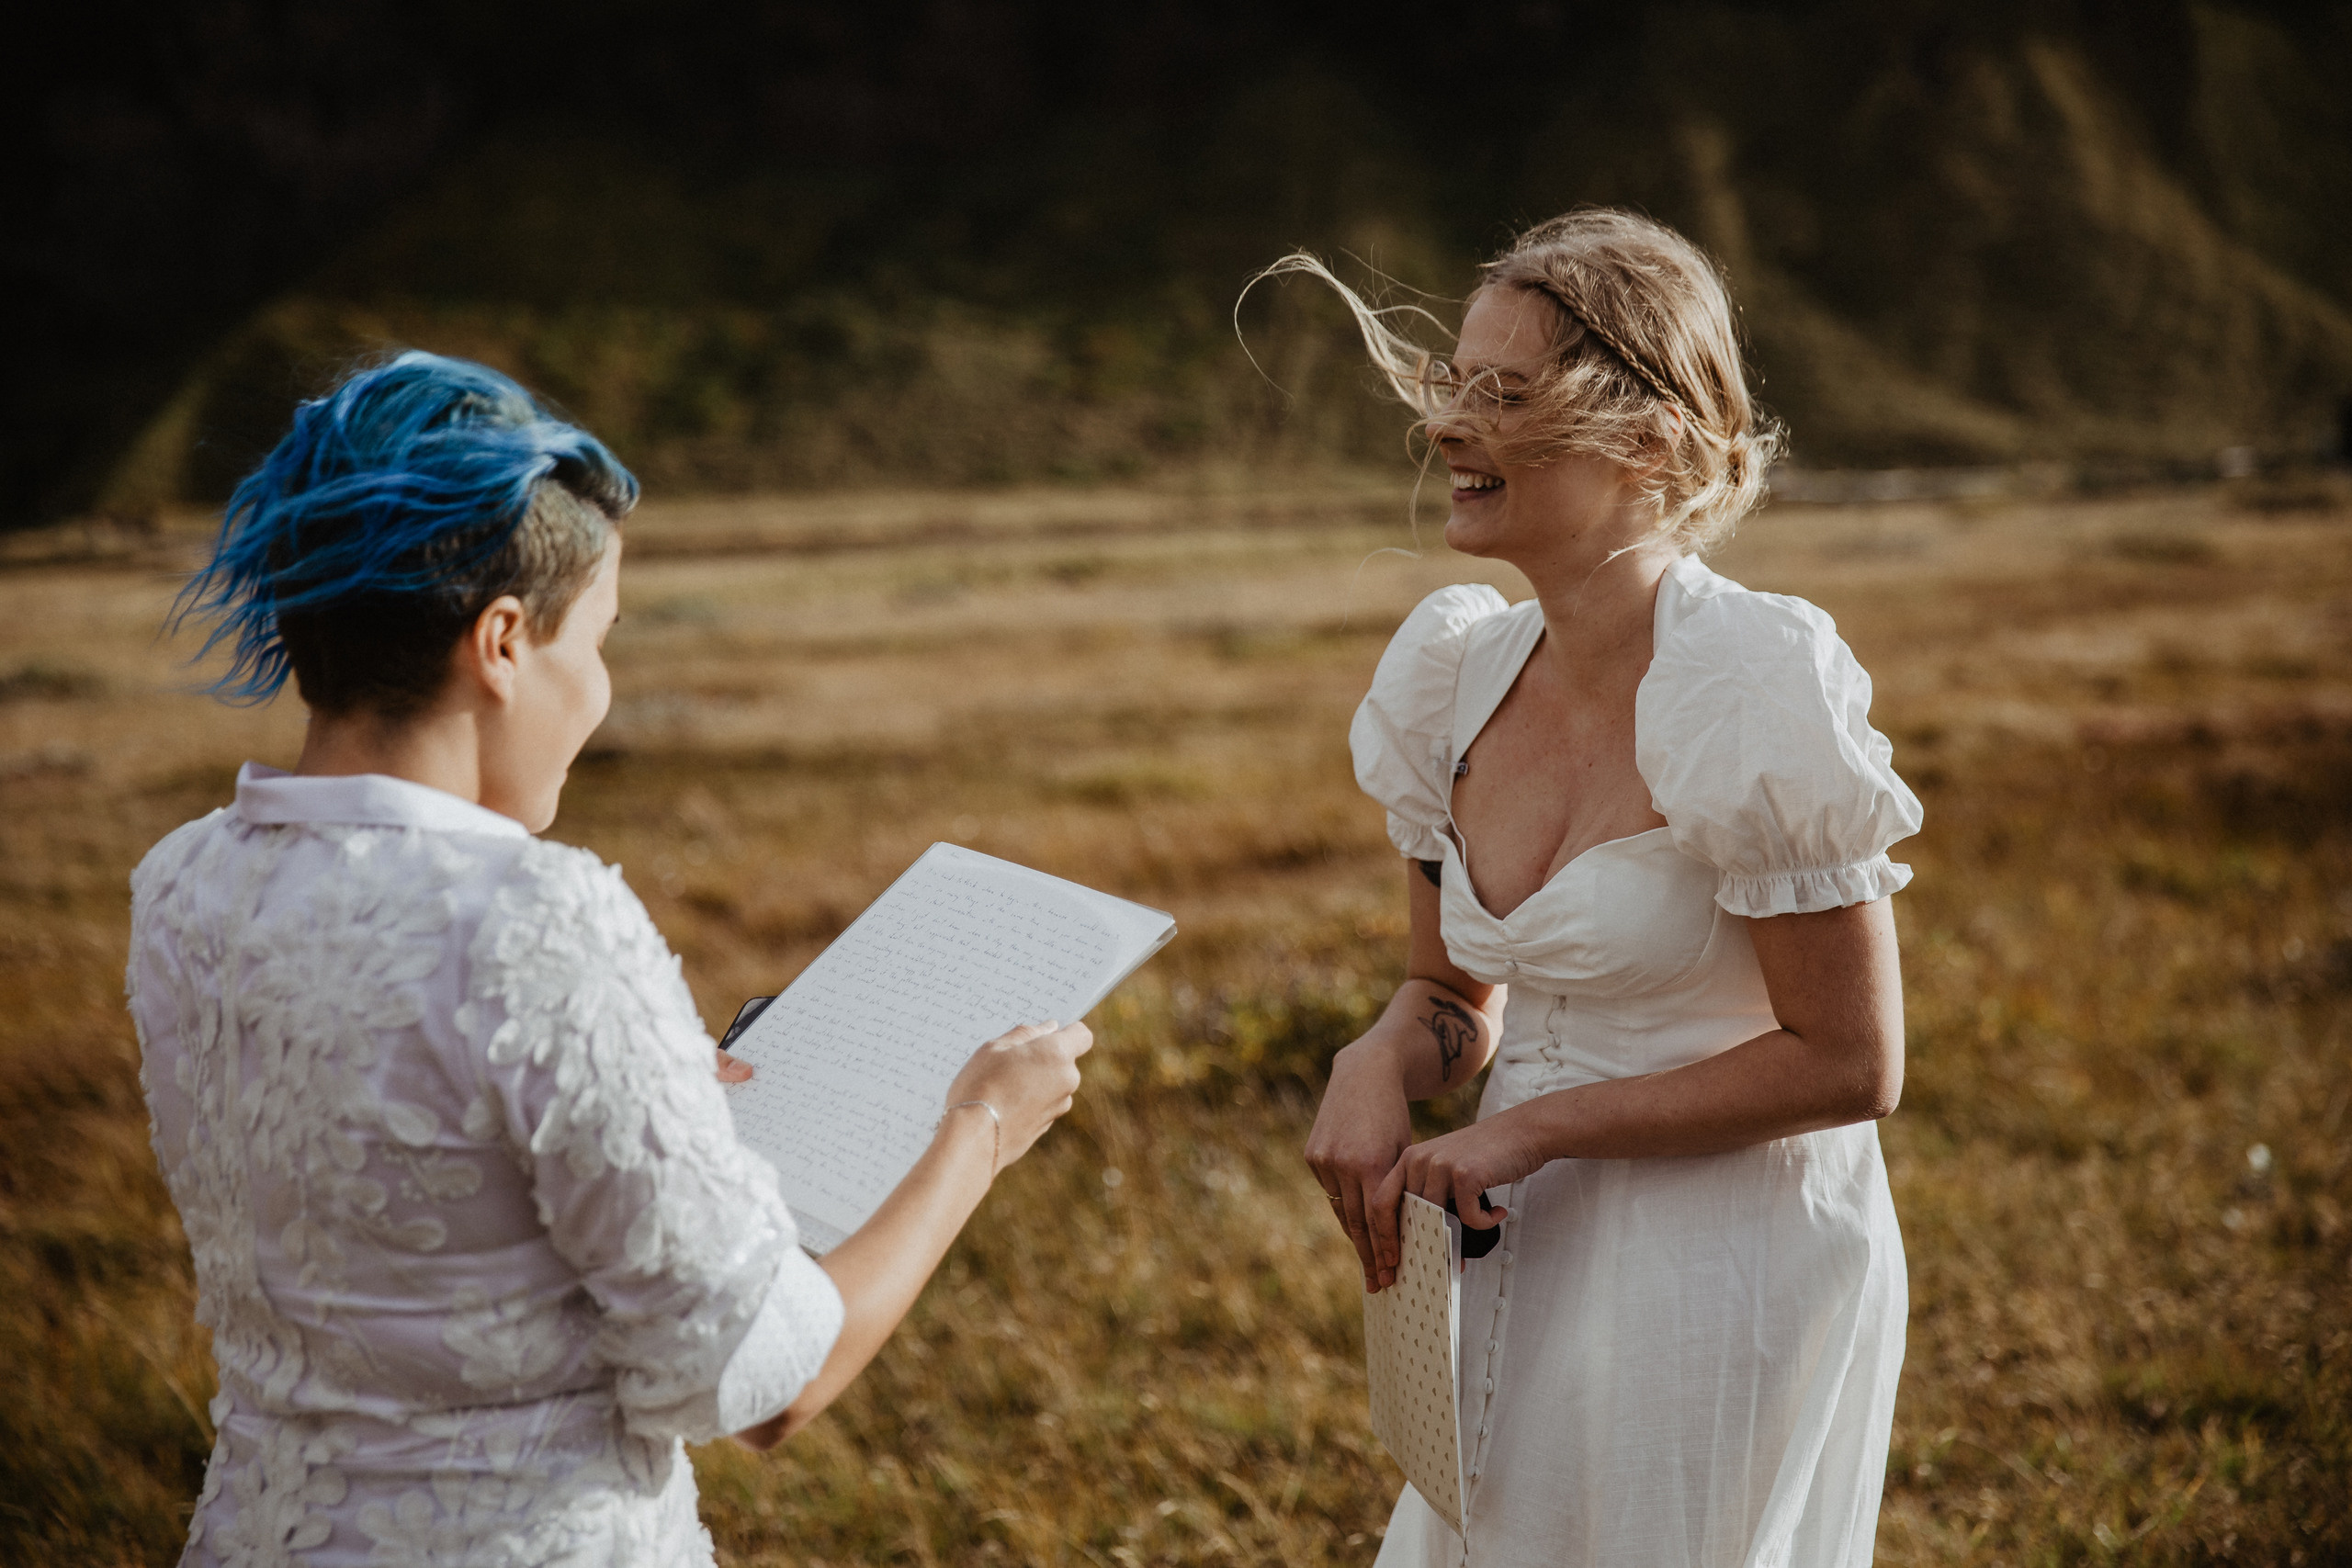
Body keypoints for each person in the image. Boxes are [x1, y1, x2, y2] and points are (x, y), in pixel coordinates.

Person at [129, 351, 1091, 1567]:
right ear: (503, 643)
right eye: (600, 641)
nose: (602, 693)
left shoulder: (182, 878)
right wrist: (980, 1127)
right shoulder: (533, 922)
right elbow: (766, 1383)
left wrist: (634, 1081)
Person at [1287, 211, 1921, 1565]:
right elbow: (1453, 993)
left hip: (1729, 1259)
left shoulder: (1749, 681)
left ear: (1648, 443)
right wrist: (1380, 1058)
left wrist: (1537, 1129)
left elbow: (1853, 1064)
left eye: (1504, 397)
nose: (1451, 426)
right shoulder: (1451, 674)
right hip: (1521, 1230)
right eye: (1455, 385)